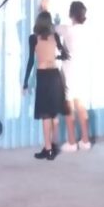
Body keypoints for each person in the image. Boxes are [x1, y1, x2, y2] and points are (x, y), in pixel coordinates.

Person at [23, 11, 69, 160]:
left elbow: (31, 61)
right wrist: (56, 56)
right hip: (55, 75)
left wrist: (25, 82)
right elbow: (65, 54)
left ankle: (48, 149)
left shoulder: (33, 38)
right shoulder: (55, 36)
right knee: (54, 113)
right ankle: (52, 145)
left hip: (43, 77)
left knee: (46, 115)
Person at [58, 0, 92, 152]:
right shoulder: (87, 31)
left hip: (69, 73)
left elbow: (50, 27)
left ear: (71, 14)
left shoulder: (67, 30)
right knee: (81, 106)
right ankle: (85, 140)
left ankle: (72, 142)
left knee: (69, 106)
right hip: (83, 71)